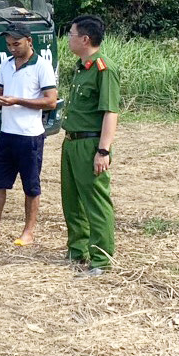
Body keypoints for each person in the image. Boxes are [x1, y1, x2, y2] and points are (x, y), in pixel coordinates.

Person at [0, 24, 57, 246]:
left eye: (16, 44)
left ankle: (28, 232)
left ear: (29, 41)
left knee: (31, 185)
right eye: (8, 45)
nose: (12, 48)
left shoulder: (42, 66)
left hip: (30, 135)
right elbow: (3, 93)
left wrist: (17, 100)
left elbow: (50, 101)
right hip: (7, 133)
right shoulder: (6, 65)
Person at [60, 15, 119, 276]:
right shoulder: (80, 67)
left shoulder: (103, 69)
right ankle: (77, 250)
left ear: (85, 39)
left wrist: (103, 150)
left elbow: (110, 112)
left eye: (71, 34)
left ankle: (101, 258)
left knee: (95, 202)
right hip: (71, 142)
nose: (68, 39)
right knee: (72, 200)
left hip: (90, 143)